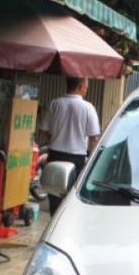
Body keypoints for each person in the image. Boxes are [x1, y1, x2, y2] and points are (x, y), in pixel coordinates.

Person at [39, 76, 100, 213]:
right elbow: (94, 138)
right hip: (77, 159)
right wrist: (91, 160)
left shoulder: (54, 104)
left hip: (54, 157)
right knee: (73, 198)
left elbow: (43, 132)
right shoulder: (88, 108)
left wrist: (55, 137)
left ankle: (54, 225)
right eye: (86, 85)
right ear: (80, 86)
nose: (87, 88)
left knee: (54, 198)